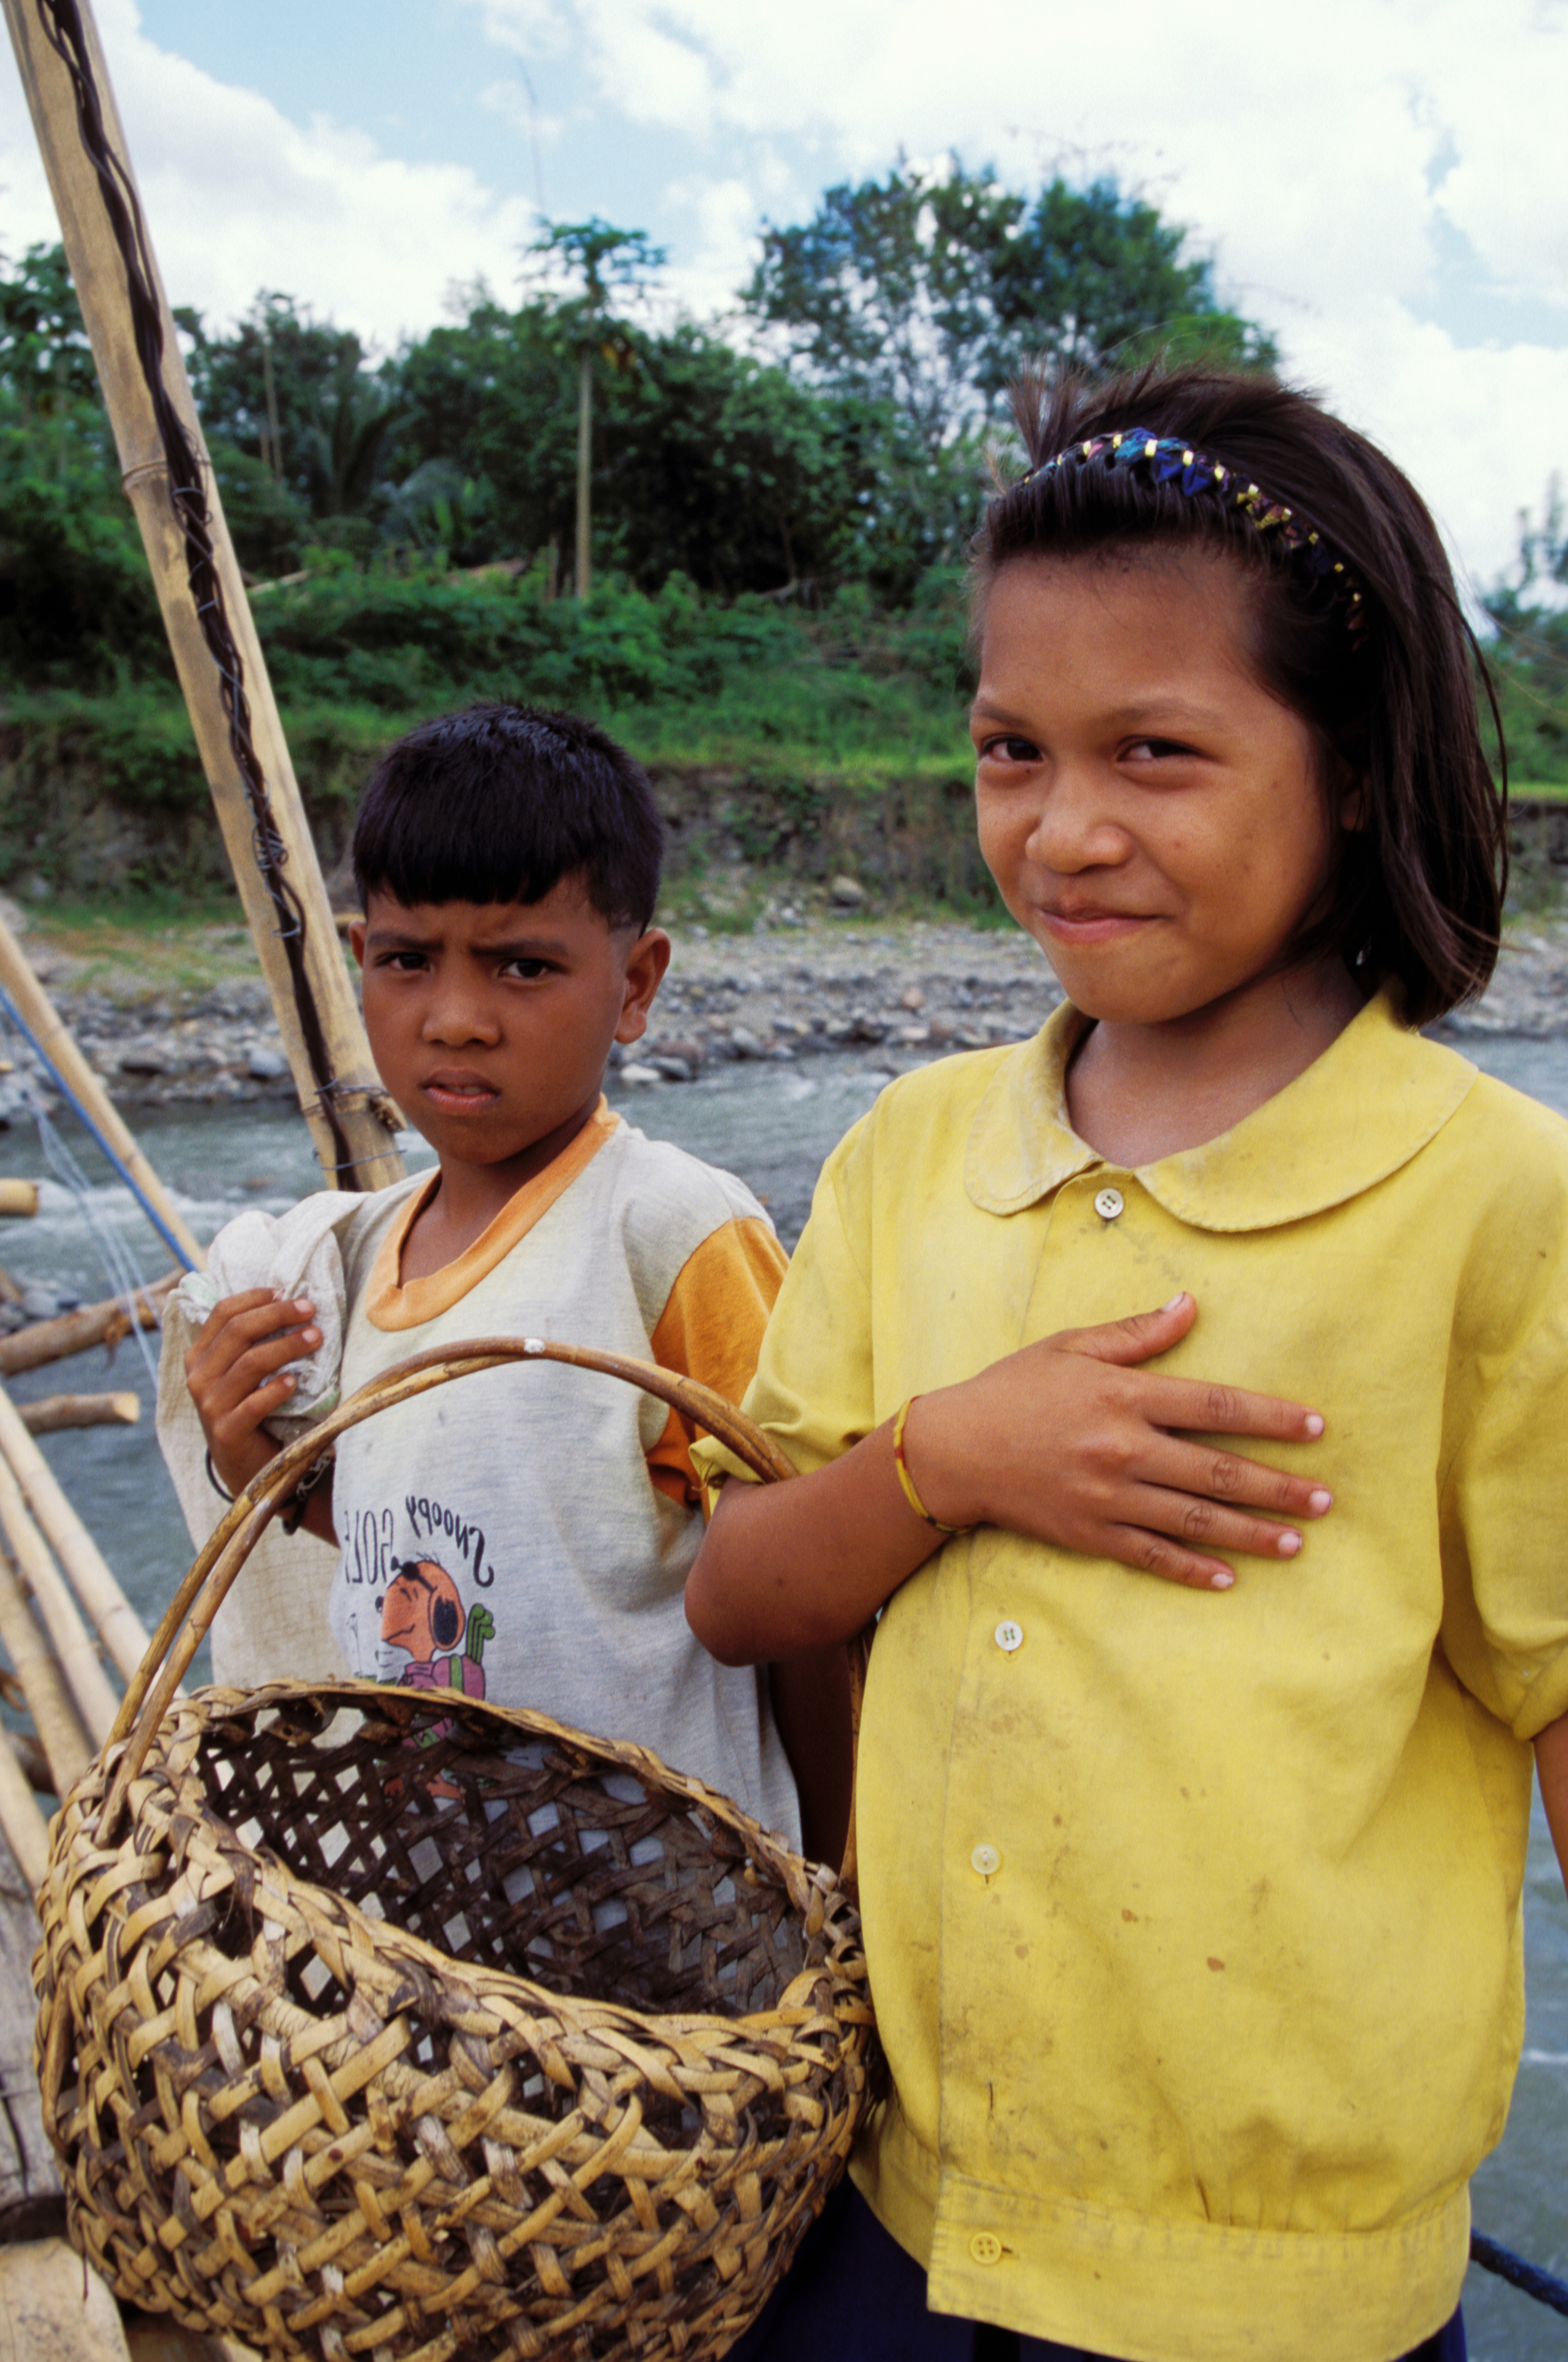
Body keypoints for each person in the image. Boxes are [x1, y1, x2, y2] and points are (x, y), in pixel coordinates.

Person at [686, 367, 1568, 2362]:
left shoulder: (1490, 1207)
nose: (1062, 829)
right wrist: (946, 1464)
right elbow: (740, 1593)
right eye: (1010, 749)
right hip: (896, 2211)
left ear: (1345, 769)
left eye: (1154, 752)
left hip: (1278, 2299)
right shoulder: (908, 1158)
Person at [174, 701, 820, 1842]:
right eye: (411, 961)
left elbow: (805, 1587)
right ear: (361, 959)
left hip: (671, 1915)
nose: (457, 1019)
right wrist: (250, 1459)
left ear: (635, 984)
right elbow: (438, 1537)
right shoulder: (353, 1257)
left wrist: (832, 1875)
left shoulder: (668, 1233)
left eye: (523, 965)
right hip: (448, 1907)